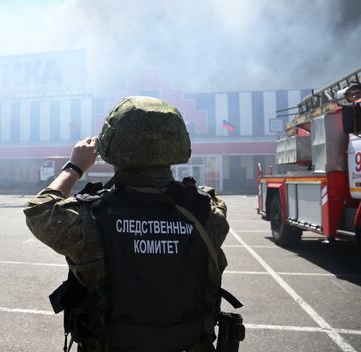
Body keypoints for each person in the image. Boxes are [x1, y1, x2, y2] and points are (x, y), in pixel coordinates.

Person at [24, 96, 229, 352]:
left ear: (111, 147)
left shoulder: (90, 218)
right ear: (178, 143)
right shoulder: (208, 211)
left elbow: (39, 211)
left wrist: (74, 167)